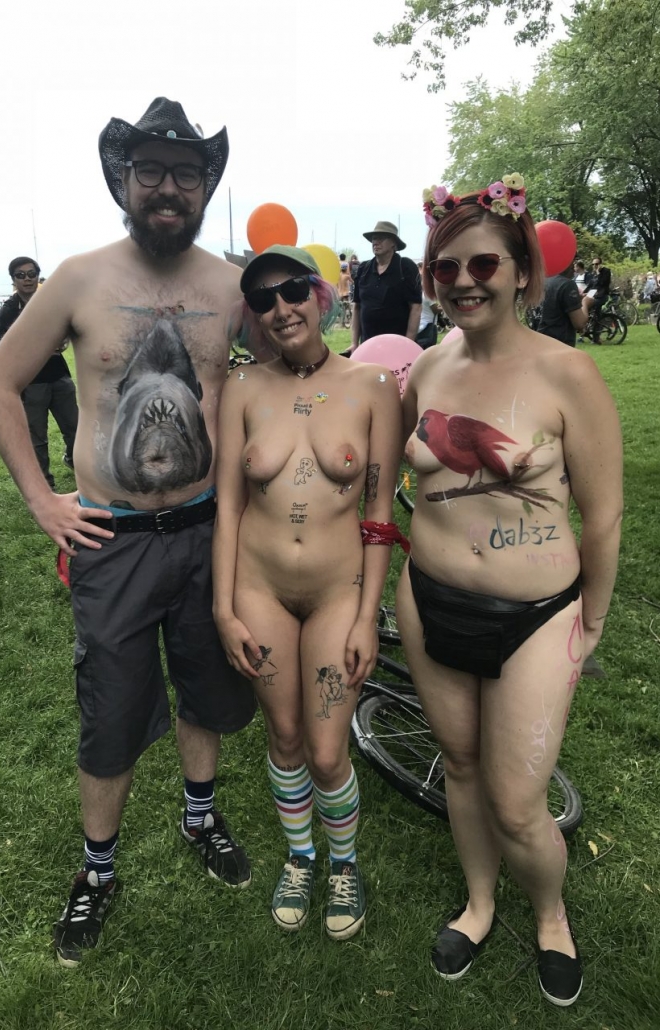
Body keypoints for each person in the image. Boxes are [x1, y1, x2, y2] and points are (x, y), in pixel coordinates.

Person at [0, 97, 256, 967]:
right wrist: (41, 501)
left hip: (208, 532)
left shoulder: (230, 286)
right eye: (151, 172)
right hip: (113, 541)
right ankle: (97, 870)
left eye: (186, 174)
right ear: (122, 180)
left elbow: (291, 369)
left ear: (206, 185)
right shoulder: (77, 279)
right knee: (112, 710)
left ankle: (200, 818)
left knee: (206, 686)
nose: (168, 188)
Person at [399, 176, 622, 1007]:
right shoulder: (425, 369)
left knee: (519, 800)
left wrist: (591, 619)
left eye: (483, 263)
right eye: (445, 268)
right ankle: (479, 902)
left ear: (522, 270)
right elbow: (399, 473)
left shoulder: (568, 374)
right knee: (459, 766)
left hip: (537, 617)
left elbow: (602, 516)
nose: (463, 281)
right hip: (429, 599)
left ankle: (550, 914)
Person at [213, 244, 402, 939]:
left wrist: (366, 616)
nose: (281, 308)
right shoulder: (241, 386)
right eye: (263, 299)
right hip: (258, 589)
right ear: (252, 314)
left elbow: (379, 511)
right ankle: (301, 856)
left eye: (293, 290)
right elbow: (229, 507)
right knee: (286, 736)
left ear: (320, 296)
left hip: (336, 592)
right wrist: (222, 606)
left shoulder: (373, 385)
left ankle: (343, 864)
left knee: (326, 752)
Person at [0, 256, 78, 486]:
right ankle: (44, 484)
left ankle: (75, 462)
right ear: (13, 280)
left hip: (60, 376)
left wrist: (65, 339)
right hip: (31, 382)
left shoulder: (49, 302)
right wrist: (31, 349)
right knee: (37, 438)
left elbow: (70, 327)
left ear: (38, 276)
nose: (27, 279)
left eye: (31, 274)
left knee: (75, 429)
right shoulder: (9, 310)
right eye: (21, 275)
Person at [348, 221, 422, 353]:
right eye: (374, 239)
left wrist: (408, 344)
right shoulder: (364, 269)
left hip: (397, 347)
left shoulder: (405, 267)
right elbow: (357, 307)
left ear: (393, 242)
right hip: (368, 346)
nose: (375, 242)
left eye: (381, 238)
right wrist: (354, 343)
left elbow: (416, 307)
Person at [537, 261, 587, 346]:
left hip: (543, 337)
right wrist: (585, 302)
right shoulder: (567, 284)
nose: (574, 270)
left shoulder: (546, 281)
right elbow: (579, 323)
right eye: (572, 265)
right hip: (560, 341)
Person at [581, 258, 611, 343]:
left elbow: (603, 283)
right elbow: (590, 285)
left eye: (596, 264)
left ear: (601, 264)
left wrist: (598, 273)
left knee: (595, 315)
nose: (595, 266)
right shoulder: (593, 274)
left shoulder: (606, 271)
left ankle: (594, 335)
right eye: (593, 264)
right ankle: (591, 334)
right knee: (592, 314)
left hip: (601, 296)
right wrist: (583, 293)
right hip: (593, 295)